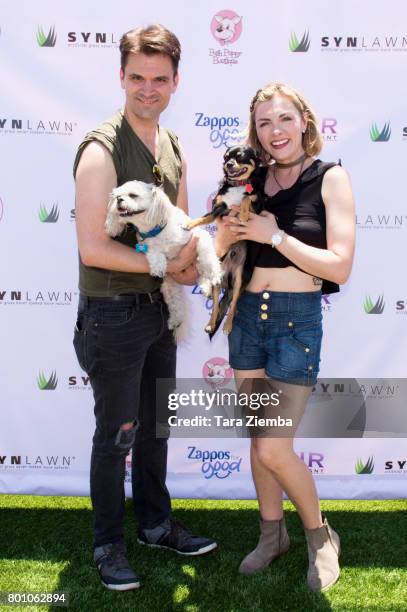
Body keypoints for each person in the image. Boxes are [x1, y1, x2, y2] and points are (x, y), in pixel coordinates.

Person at [73, 24, 216, 592]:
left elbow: (180, 228)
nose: (148, 89)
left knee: (156, 426)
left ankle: (155, 524)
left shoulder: (173, 144)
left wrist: (186, 263)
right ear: (121, 77)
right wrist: (168, 268)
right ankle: (108, 543)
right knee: (117, 434)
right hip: (112, 315)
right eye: (138, 78)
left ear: (176, 81)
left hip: (160, 310)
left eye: (160, 79)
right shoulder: (100, 149)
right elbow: (92, 246)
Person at [215, 82, 355, 591]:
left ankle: (320, 537)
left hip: (296, 322)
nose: (275, 132)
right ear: (255, 131)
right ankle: (271, 536)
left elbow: (340, 264)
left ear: (305, 122)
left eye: (284, 119)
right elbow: (221, 246)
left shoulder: (330, 178)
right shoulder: (252, 182)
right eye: (264, 123)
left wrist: (274, 236)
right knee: (260, 442)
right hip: (246, 317)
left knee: (275, 448)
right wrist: (231, 230)